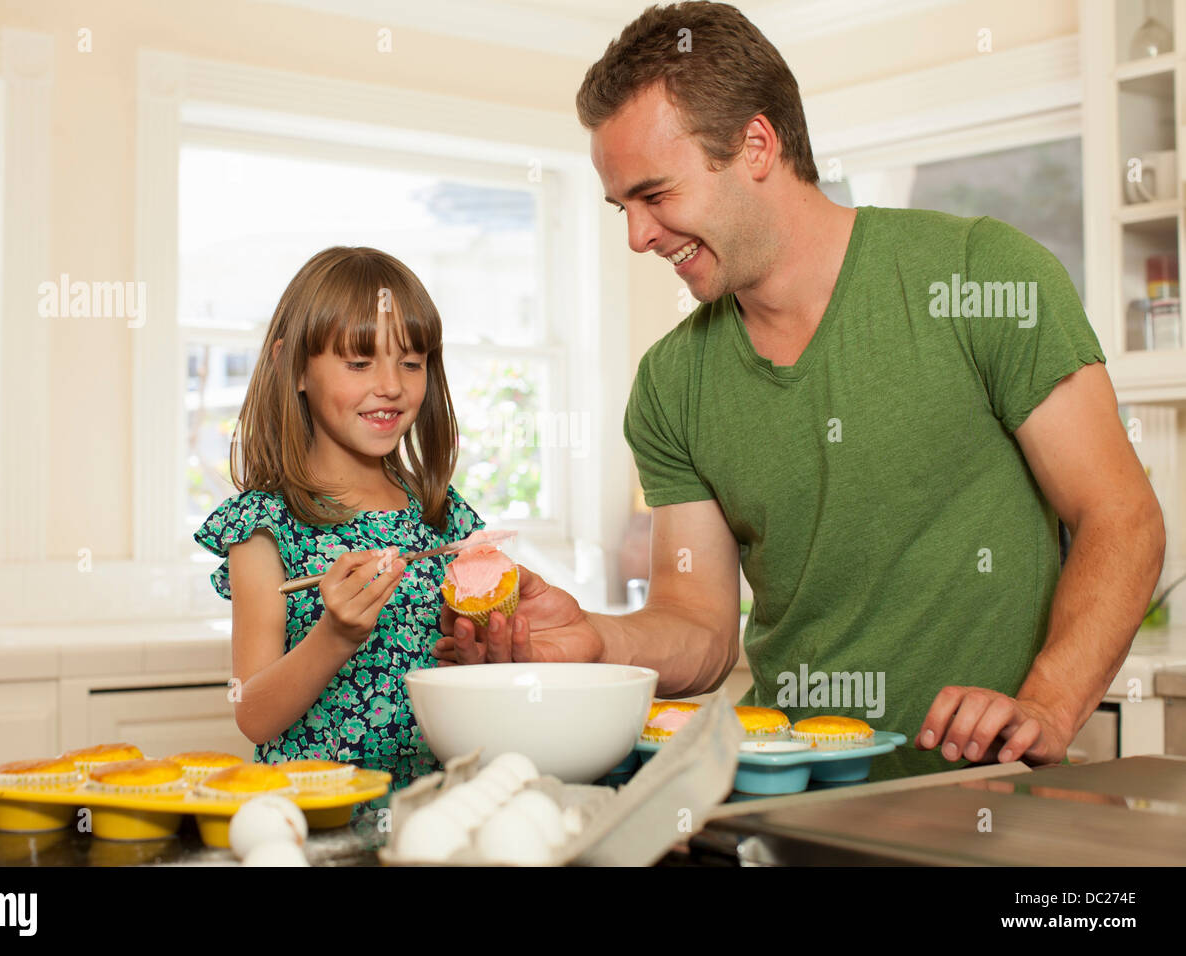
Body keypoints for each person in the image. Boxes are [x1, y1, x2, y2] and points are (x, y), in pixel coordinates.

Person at [433, 2, 1166, 780]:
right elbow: (699, 628)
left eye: (656, 195)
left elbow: (1121, 517)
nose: (637, 236)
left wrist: (1049, 704)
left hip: (986, 795)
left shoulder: (980, 276)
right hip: (787, 796)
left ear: (756, 145)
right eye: (623, 207)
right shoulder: (672, 382)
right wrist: (596, 639)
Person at [196, 246, 484, 792]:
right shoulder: (263, 527)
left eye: (411, 362)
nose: (391, 385)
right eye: (359, 363)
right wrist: (336, 634)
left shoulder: (445, 519)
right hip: (313, 819)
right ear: (293, 367)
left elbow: (483, 681)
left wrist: (477, 658)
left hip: (435, 809)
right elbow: (252, 714)